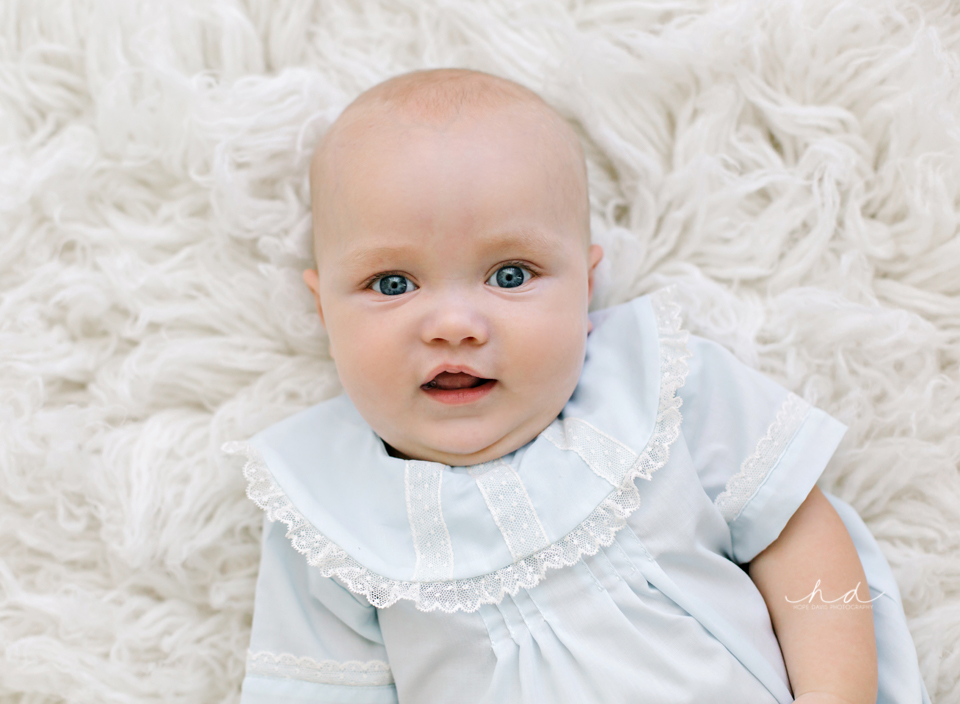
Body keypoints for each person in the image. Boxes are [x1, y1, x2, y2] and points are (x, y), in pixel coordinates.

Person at [222, 68, 929, 704]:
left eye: (510, 275)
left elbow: (800, 538)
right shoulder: (325, 512)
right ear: (323, 310)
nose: (455, 325)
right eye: (392, 283)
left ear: (585, 288)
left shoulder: (658, 388)